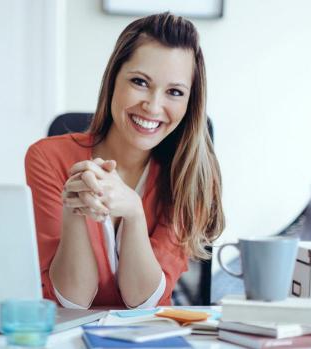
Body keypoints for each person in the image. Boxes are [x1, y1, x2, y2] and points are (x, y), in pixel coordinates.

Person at [25, 12, 224, 309]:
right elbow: (72, 301)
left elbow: (143, 301)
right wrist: (74, 207)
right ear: (113, 80)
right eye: (140, 82)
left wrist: (133, 212)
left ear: (189, 103)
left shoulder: (192, 176)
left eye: (174, 92)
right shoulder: (47, 157)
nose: (153, 106)